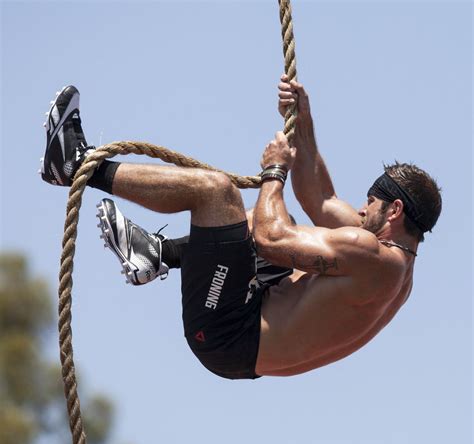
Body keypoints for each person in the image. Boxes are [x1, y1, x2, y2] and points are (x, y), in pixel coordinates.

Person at [40, 78, 442, 379]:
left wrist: (274, 170)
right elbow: (320, 199)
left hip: (229, 333)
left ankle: (75, 165)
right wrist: (303, 120)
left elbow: (270, 240)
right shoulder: (394, 268)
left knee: (217, 193)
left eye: (370, 203)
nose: (359, 208)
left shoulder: (369, 254)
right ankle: (159, 254)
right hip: (247, 344)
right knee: (258, 224)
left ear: (395, 210)